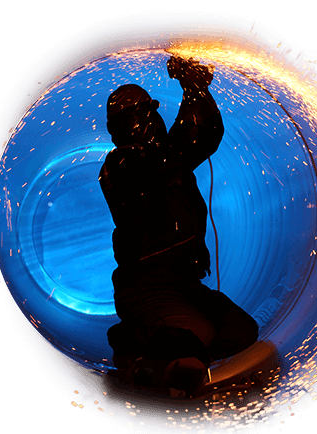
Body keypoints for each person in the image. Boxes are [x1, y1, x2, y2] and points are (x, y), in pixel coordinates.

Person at [99, 56, 259, 397]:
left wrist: (194, 90)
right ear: (123, 125)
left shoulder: (162, 156)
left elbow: (198, 136)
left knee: (241, 330)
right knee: (193, 333)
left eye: (151, 110)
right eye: (141, 114)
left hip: (183, 281)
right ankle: (137, 346)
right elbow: (192, 140)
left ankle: (177, 356)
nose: (151, 119)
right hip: (146, 285)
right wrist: (194, 89)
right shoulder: (123, 164)